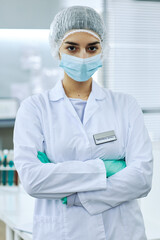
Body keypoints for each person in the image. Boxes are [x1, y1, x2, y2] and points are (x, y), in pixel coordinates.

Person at [13, 5, 153, 240]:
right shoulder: (34, 108)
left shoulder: (125, 105)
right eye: (72, 47)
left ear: (102, 50)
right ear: (57, 50)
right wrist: (107, 168)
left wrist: (73, 194)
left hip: (121, 232)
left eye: (91, 48)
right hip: (60, 232)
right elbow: (33, 179)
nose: (82, 56)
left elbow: (141, 178)